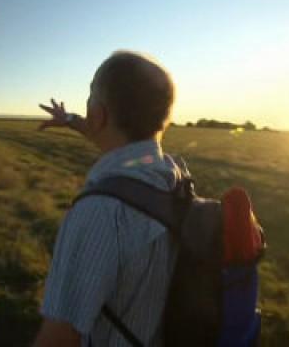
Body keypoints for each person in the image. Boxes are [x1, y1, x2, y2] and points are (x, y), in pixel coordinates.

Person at [33, 50, 180, 347]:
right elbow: (109, 134)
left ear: (98, 115)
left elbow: (60, 337)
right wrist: (70, 120)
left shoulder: (101, 212)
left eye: (90, 97)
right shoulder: (172, 178)